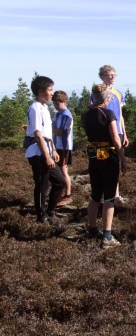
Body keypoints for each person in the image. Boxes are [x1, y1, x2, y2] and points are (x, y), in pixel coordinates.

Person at [82, 84, 128, 248]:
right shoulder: (109, 114)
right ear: (107, 98)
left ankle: (93, 229)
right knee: (109, 197)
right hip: (109, 157)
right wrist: (123, 158)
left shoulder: (86, 115)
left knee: (95, 195)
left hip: (94, 158)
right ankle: (107, 236)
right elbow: (116, 139)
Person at [25, 76, 66, 225]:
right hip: (38, 152)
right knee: (42, 185)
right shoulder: (35, 108)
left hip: (47, 150)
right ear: (40, 91)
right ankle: (41, 217)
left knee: (60, 182)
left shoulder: (45, 107)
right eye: (50, 90)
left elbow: (47, 134)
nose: (52, 93)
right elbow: (37, 135)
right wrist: (47, 156)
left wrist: (53, 151)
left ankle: (51, 212)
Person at [91, 65, 129, 204]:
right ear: (102, 76)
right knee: (103, 163)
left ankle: (116, 194)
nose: (112, 77)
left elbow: (121, 115)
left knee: (116, 162)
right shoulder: (97, 93)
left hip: (117, 132)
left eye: (114, 75)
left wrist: (124, 134)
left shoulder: (118, 93)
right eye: (109, 75)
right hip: (104, 134)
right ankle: (102, 194)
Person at [52, 90, 74, 207]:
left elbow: (59, 132)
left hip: (64, 147)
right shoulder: (57, 114)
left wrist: (52, 128)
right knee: (60, 171)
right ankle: (62, 194)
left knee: (64, 172)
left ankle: (68, 195)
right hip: (57, 146)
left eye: (58, 103)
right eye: (54, 103)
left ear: (64, 102)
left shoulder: (66, 115)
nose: (56, 105)